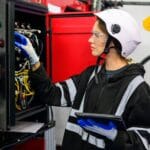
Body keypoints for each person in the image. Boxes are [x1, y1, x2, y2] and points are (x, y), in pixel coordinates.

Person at [14, 8, 150, 150]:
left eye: (97, 35)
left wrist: (116, 136)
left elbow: (144, 142)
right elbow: (52, 95)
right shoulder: (90, 76)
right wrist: (34, 59)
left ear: (114, 41)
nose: (90, 39)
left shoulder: (138, 88)